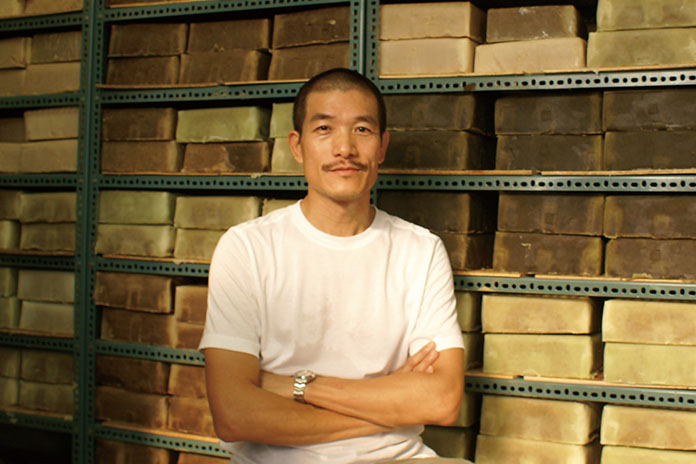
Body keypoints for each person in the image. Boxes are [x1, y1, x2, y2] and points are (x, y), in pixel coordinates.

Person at [199, 68, 471, 464]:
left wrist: (299, 387)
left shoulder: (421, 250)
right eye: (324, 129)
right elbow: (235, 416)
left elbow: (442, 401)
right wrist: (392, 406)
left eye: (362, 130)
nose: (344, 148)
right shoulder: (247, 249)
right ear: (297, 146)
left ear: (382, 146)